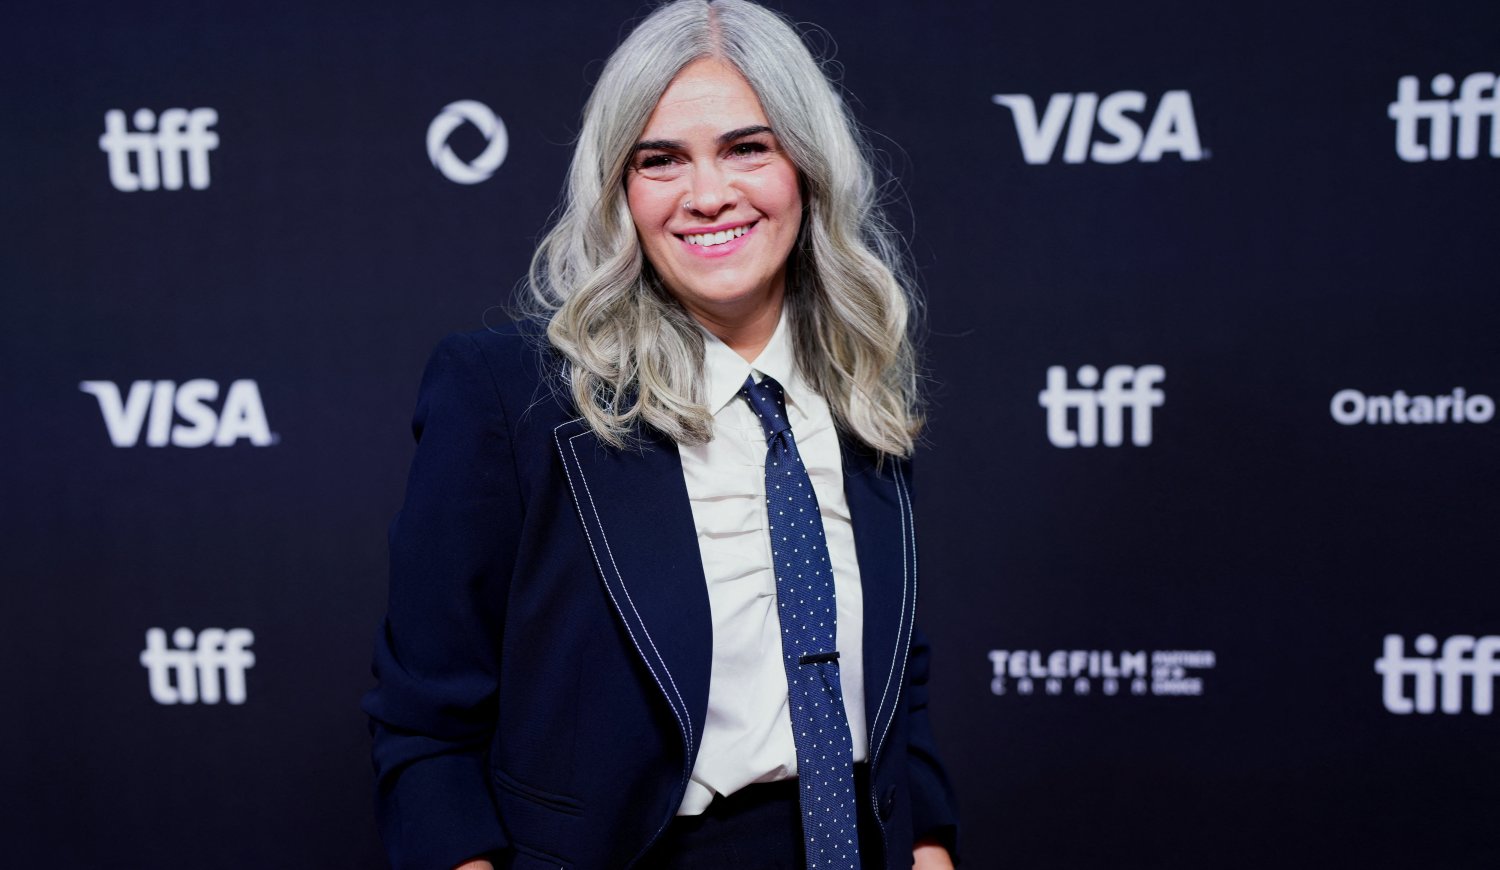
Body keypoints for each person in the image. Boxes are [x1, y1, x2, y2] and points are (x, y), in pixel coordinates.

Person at [363, 2, 958, 868]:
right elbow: (426, 729)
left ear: (807, 166)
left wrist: (929, 848)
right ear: (620, 190)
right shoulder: (510, 395)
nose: (707, 195)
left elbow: (899, 679)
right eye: (661, 160)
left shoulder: (855, 380)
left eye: (747, 148)